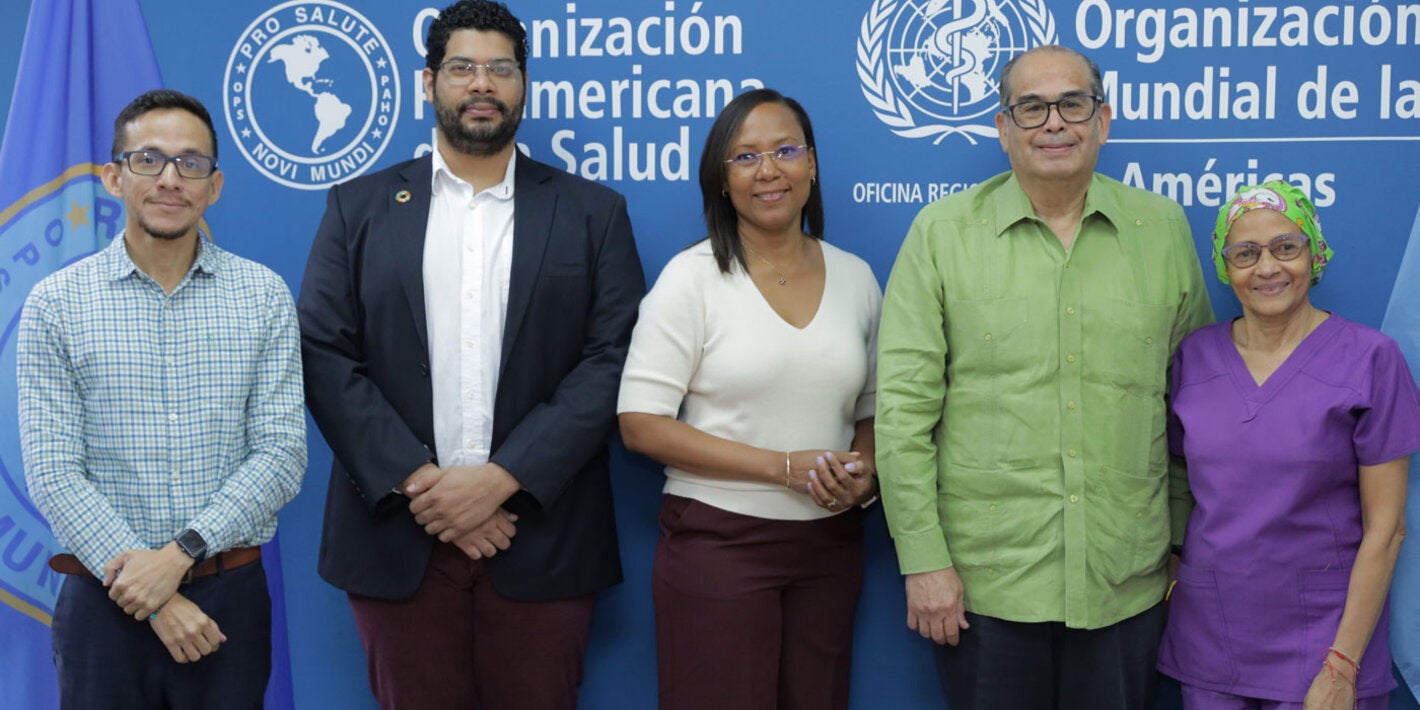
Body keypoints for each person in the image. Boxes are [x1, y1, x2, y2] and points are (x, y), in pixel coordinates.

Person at [297, 1, 645, 707]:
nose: (481, 84)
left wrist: (501, 479)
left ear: (523, 86)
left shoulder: (592, 212)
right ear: (429, 82)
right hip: (398, 542)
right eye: (462, 68)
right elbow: (323, 352)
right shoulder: (357, 206)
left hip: (542, 539)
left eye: (500, 69)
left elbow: (614, 358)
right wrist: (425, 486)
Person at [875, 45, 1215, 708]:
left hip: (1127, 578)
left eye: (1072, 103)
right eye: (1031, 107)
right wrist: (924, 562)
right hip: (984, 587)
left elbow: (1191, 404)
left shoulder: (1163, 230)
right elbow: (903, 418)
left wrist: (1177, 538)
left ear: (1103, 119)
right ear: (1003, 129)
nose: (1053, 123)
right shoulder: (941, 234)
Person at [16, 88, 307, 709]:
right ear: (113, 177)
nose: (171, 179)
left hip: (227, 601)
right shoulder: (56, 304)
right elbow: (53, 472)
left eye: (191, 163)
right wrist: (152, 594)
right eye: (149, 160)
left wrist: (179, 557)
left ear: (216, 185)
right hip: (101, 606)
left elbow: (281, 455)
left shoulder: (263, 297)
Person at [617, 88, 881, 709]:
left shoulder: (857, 277)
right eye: (745, 157)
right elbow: (640, 424)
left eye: (785, 150)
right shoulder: (692, 278)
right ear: (721, 177)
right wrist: (781, 468)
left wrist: (865, 475)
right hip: (718, 544)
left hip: (829, 548)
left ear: (812, 165)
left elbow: (871, 411)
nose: (768, 170)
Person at [1158, 181, 1420, 710]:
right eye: (1245, 253)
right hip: (1213, 640)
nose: (1268, 267)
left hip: (1324, 643)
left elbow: (1387, 530)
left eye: (1286, 247)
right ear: (1224, 267)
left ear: (1314, 253)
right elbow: (1185, 484)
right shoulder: (1195, 358)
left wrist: (1342, 666)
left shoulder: (1370, 359)